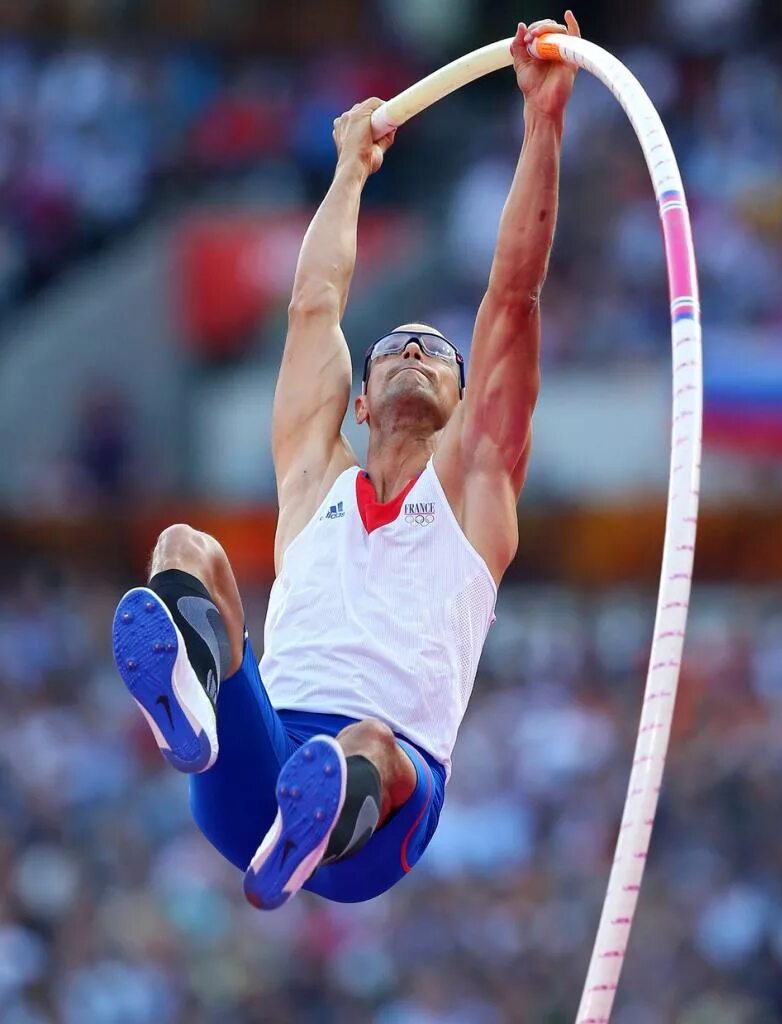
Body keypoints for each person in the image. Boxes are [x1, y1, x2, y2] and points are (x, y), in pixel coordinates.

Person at [112, 14, 580, 911]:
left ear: (460, 394)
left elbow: (513, 297)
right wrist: (347, 174)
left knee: (363, 746)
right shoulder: (312, 484)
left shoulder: (477, 494)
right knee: (185, 552)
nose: (412, 351)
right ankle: (190, 709)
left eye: (435, 351)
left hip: (386, 806)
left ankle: (315, 820)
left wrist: (543, 122)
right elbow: (313, 309)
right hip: (253, 766)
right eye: (395, 347)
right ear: (358, 404)